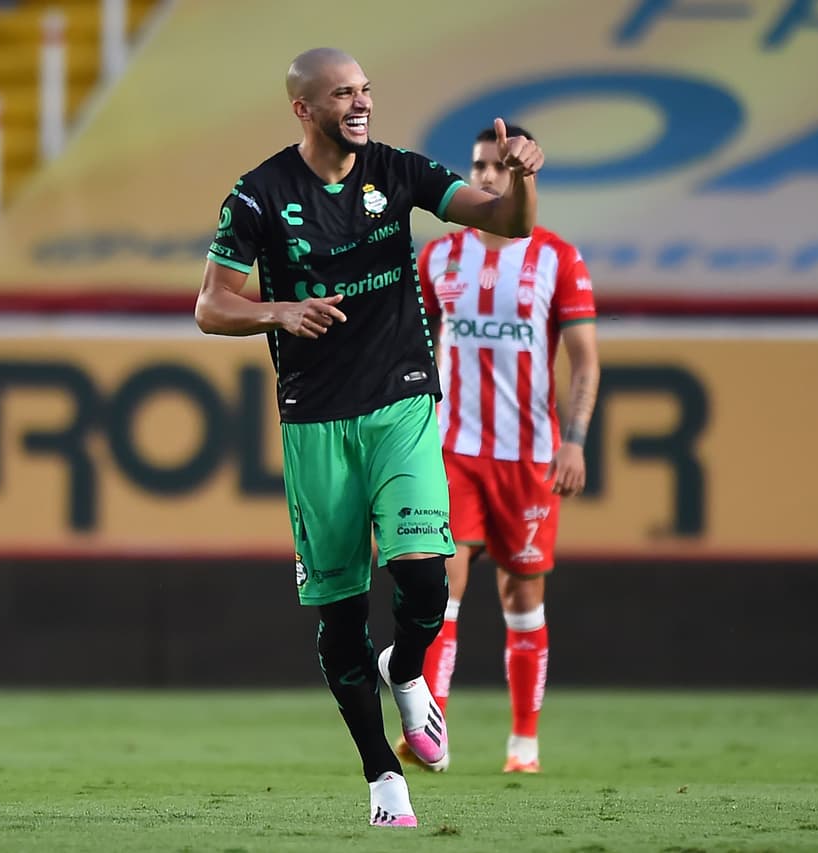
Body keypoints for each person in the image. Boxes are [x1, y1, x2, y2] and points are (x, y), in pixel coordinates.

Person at [195, 48, 544, 826]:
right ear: (303, 109)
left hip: (402, 403)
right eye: (341, 94)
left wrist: (520, 177)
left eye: (365, 91)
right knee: (340, 614)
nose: (359, 104)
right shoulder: (258, 195)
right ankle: (383, 774)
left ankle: (409, 669)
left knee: (425, 578)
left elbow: (503, 221)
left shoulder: (398, 169)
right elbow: (212, 306)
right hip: (315, 420)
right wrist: (277, 312)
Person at [406, 125, 600, 774]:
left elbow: (585, 361)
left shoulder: (558, 259)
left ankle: (523, 744)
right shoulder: (438, 258)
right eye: (478, 165)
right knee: (441, 587)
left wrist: (573, 441)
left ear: (521, 174)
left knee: (522, 600)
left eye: (499, 166)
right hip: (452, 449)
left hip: (529, 456)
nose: (486, 176)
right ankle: (431, 730)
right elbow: (408, 351)